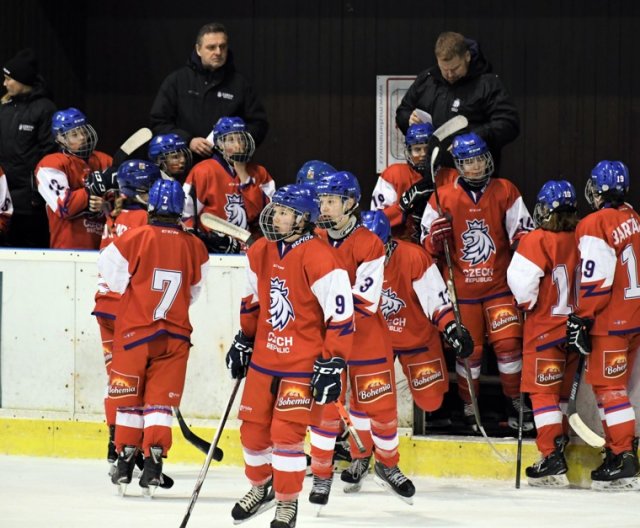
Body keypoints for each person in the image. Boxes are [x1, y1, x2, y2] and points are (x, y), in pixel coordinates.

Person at [226, 184, 354, 528]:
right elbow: (252, 301)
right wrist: (244, 338)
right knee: (252, 435)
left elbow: (341, 316)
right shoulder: (260, 252)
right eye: (274, 209)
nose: (274, 216)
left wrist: (333, 363)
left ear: (302, 219)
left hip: (302, 364)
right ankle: (261, 487)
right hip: (264, 361)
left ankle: (286, 501)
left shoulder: (322, 257)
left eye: (283, 211)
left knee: (286, 435)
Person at [309, 171, 415, 508]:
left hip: (367, 337)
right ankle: (322, 474)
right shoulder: (313, 240)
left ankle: (388, 465)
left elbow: (365, 302)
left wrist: (326, 310)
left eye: (330, 201)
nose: (323, 207)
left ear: (350, 203)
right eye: (321, 201)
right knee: (326, 411)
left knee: (380, 410)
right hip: (327, 339)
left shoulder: (369, 244)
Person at [98, 178, 209, 496]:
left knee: (130, 400)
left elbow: (111, 275)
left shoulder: (136, 236)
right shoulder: (195, 245)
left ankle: (125, 458)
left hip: (134, 332)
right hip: (174, 337)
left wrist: (138, 293)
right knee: (160, 403)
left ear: (151, 206)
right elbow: (194, 291)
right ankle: (154, 462)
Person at [420, 132, 534, 430]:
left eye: (478, 160)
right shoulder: (442, 196)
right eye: (467, 162)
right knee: (469, 352)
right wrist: (434, 238)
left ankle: (514, 400)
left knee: (509, 344)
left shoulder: (505, 190)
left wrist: (524, 244)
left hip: (498, 287)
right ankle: (469, 406)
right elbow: (424, 244)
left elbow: (523, 234)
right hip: (461, 291)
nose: (473, 167)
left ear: (488, 159)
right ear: (458, 165)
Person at [565, 161, 640, 491]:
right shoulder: (633, 218)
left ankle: (624, 456)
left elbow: (595, 280)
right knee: (615, 388)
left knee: (611, 390)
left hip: (610, 322)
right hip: (634, 317)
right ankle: (617, 451)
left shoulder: (594, 223)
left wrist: (582, 317)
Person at [361, 209, 473, 415]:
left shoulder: (413, 257)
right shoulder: (349, 261)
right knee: (371, 404)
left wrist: (452, 328)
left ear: (388, 242)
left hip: (416, 337)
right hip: (375, 342)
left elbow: (437, 301)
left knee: (431, 401)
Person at [507, 180, 581, 487]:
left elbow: (523, 291)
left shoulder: (536, 240)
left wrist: (531, 305)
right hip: (578, 331)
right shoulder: (583, 236)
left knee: (543, 395)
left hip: (546, 331)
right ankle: (560, 444)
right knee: (562, 396)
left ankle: (551, 454)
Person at [91, 160, 161, 468]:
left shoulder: (114, 212)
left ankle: (114, 441)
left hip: (104, 305)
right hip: (127, 310)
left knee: (117, 377)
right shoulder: (145, 217)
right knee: (141, 379)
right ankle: (136, 445)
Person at [395, 31, 519, 172]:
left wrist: (474, 137)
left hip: (474, 174)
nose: (449, 74)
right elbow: (402, 112)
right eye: (444, 69)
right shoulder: (426, 80)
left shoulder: (487, 84)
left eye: (455, 68)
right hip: (430, 171)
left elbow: (509, 124)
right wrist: (409, 119)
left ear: (467, 57)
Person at [150, 22, 269, 163]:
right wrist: (188, 140)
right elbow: (158, 122)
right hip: (185, 164)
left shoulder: (240, 84)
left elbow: (259, 124)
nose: (218, 52)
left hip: (228, 166)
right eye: (211, 47)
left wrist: (236, 143)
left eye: (222, 47)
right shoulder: (176, 81)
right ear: (198, 49)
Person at [183, 116, 275, 253]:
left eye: (241, 139)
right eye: (231, 140)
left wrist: (245, 178)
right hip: (214, 252)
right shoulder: (203, 171)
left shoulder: (260, 173)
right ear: (220, 143)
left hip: (252, 250)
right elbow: (185, 215)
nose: (238, 146)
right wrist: (204, 241)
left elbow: (267, 218)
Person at [0, 48, 57, 247]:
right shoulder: (4, 108)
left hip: (30, 203)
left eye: (9, 79)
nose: (5, 83)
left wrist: (37, 193)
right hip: (4, 200)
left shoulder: (45, 108)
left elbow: (49, 153)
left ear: (22, 80)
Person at [35, 107, 112, 249]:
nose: (82, 137)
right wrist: (90, 191)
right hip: (67, 248)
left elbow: (120, 204)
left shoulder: (105, 160)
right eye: (74, 134)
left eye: (83, 132)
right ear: (60, 138)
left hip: (105, 248)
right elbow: (64, 207)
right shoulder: (50, 164)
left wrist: (105, 205)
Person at [370, 123, 457, 242]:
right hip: (402, 251)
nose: (422, 154)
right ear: (409, 151)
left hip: (441, 252)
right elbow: (373, 224)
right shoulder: (393, 174)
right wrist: (401, 207)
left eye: (427, 149)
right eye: (417, 149)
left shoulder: (452, 177)